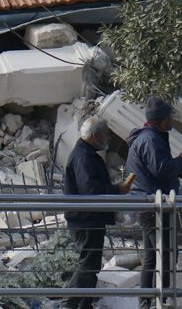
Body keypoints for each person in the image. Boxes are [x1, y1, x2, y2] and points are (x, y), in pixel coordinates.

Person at [126, 96, 182, 309]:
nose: (172, 119)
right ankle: (159, 301)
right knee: (168, 253)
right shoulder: (151, 140)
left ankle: (148, 302)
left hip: (148, 204)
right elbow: (160, 169)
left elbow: (158, 169)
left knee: (153, 256)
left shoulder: (150, 137)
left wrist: (180, 170)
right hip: (152, 206)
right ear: (162, 120)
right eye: (169, 116)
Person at [63, 116, 126, 309]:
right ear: (96, 135)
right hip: (86, 219)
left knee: (91, 264)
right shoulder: (83, 157)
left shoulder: (86, 154)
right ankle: (70, 304)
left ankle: (83, 304)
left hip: (89, 218)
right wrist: (117, 189)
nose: (108, 138)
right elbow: (91, 191)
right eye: (106, 134)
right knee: (87, 264)